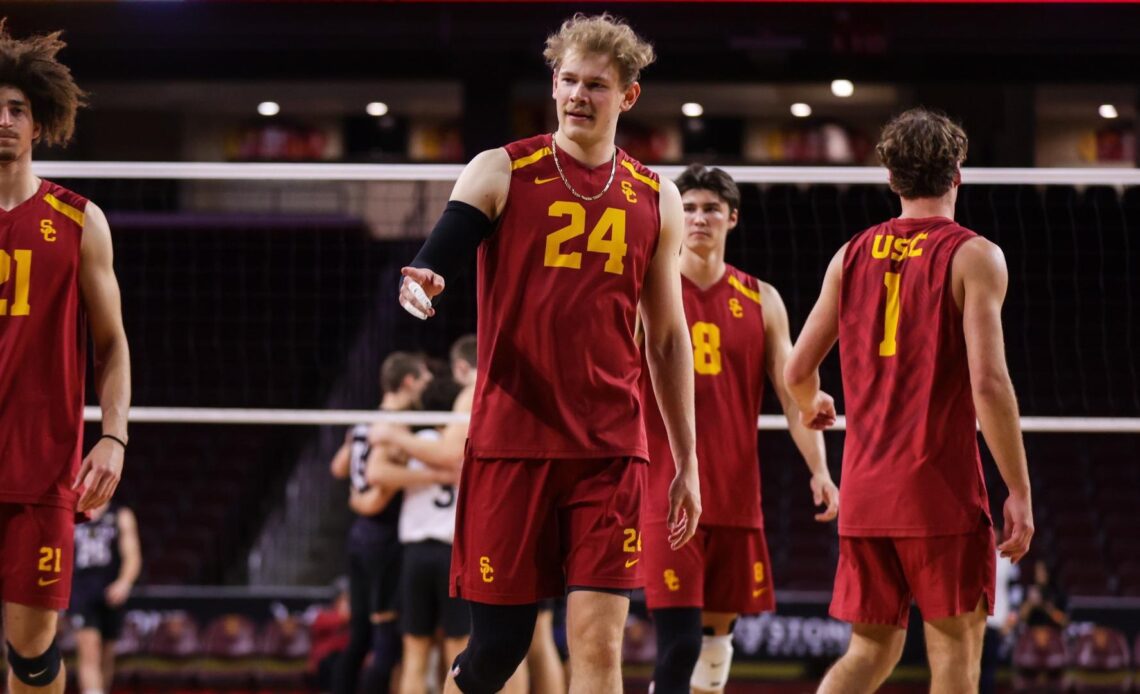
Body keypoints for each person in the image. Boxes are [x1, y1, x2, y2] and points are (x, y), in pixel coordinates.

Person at [398, 13, 701, 694]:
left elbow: (669, 337)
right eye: (567, 79)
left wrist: (687, 459)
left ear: (627, 96)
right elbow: (445, 243)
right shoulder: (502, 168)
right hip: (514, 441)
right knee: (495, 653)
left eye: (596, 84)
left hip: (611, 450)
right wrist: (425, 274)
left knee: (599, 645)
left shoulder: (658, 196)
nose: (576, 96)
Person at [785, 107, 1034, 693]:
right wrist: (1018, 490)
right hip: (937, 495)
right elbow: (990, 384)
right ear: (958, 175)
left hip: (866, 495)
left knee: (868, 654)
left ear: (891, 180)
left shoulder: (849, 255)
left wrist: (812, 400)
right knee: (955, 664)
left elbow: (797, 369)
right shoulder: (975, 255)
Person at [640, 165, 839, 694]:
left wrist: (819, 469)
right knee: (678, 642)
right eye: (688, 207)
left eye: (710, 208)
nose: (698, 217)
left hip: (734, 494)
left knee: (715, 643)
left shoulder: (761, 299)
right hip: (668, 492)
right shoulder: (650, 288)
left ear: (732, 217)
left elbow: (793, 395)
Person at [0, 20, 131, 694]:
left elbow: (111, 345)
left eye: (17, 108)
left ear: (40, 122)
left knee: (32, 652)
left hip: (41, 469)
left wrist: (113, 435)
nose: (3, 121)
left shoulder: (79, 221)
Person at [329, 351, 432, 694]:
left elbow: (339, 467)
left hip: (359, 535)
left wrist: (355, 498)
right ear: (408, 382)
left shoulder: (363, 419)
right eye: (423, 378)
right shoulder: (397, 425)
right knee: (388, 643)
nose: (428, 384)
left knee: (359, 637)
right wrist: (432, 475)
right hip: (383, 538)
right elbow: (375, 498)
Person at [68, 503, 141, 694]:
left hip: (111, 592)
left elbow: (132, 555)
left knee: (107, 654)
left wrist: (124, 582)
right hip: (80, 591)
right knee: (89, 650)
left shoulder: (121, 515)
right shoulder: (72, 512)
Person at [980, 525, 1021, 694]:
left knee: (989, 668)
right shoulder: (975, 558)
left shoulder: (1007, 560)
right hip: (975, 622)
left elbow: (1015, 591)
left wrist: (1011, 618)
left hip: (996, 621)